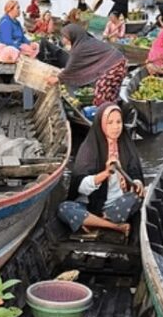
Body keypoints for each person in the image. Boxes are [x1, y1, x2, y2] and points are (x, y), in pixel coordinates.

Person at [58, 102, 144, 238]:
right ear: (102, 124)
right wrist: (106, 173)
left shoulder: (126, 146)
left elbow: (135, 173)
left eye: (118, 122)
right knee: (64, 208)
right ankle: (115, 226)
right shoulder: (89, 149)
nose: (115, 127)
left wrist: (137, 183)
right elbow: (81, 187)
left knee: (138, 197)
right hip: (90, 205)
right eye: (110, 123)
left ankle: (94, 222)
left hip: (116, 204)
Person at [45, 24, 126, 106]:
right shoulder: (86, 41)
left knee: (101, 89)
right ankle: (113, 107)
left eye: (65, 37)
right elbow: (77, 66)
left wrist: (58, 78)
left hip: (115, 65)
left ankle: (104, 112)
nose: (63, 40)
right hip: (119, 60)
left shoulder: (79, 48)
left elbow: (72, 67)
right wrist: (65, 72)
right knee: (111, 90)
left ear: (73, 36)